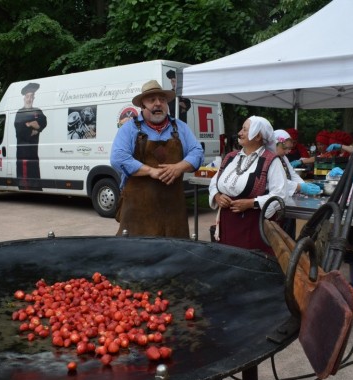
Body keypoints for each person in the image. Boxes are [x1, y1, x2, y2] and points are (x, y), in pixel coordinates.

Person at [110, 79, 204, 238]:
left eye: (162, 100)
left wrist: (179, 167)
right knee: (137, 256)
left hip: (173, 209)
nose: (158, 103)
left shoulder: (180, 127)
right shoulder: (129, 129)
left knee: (175, 256)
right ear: (142, 105)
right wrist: (150, 171)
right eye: (152, 100)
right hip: (138, 210)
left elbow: (197, 152)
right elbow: (118, 158)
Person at [208, 116, 289, 255]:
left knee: (249, 263)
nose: (240, 133)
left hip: (253, 225)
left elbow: (280, 194)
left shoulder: (270, 160)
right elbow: (215, 181)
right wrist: (217, 196)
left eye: (245, 130)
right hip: (228, 223)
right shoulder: (231, 157)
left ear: (257, 136)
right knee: (227, 261)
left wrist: (252, 203)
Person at [274, 129, 321, 237]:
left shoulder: (283, 157)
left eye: (290, 149)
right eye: (285, 148)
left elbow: (293, 174)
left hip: (287, 198)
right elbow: (277, 181)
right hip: (275, 202)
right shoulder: (270, 158)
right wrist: (299, 187)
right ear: (275, 144)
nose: (288, 152)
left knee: (289, 232)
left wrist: (304, 185)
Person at [14, 82, 47, 190]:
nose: (29, 99)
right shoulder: (20, 113)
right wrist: (34, 127)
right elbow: (20, 131)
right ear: (24, 98)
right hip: (23, 153)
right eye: (27, 96)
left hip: (33, 151)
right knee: (25, 181)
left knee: (35, 178)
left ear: (34, 98)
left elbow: (43, 122)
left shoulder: (38, 111)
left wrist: (30, 125)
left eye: (31, 97)